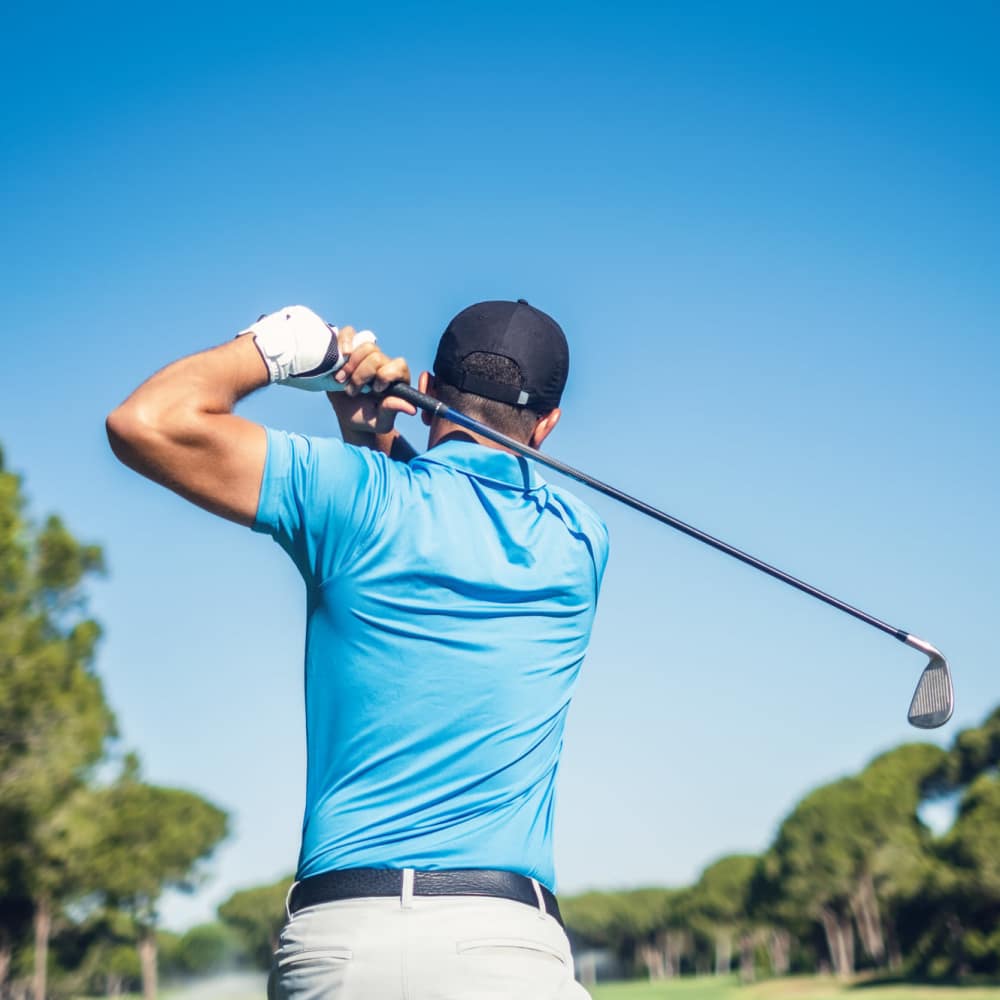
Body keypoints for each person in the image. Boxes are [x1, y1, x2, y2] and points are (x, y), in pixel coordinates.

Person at [107, 298, 609, 999]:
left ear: (427, 392)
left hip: (340, 946)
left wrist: (281, 349)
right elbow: (443, 517)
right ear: (547, 424)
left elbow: (146, 422)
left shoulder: (349, 498)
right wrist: (375, 445)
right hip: (505, 947)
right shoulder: (579, 541)